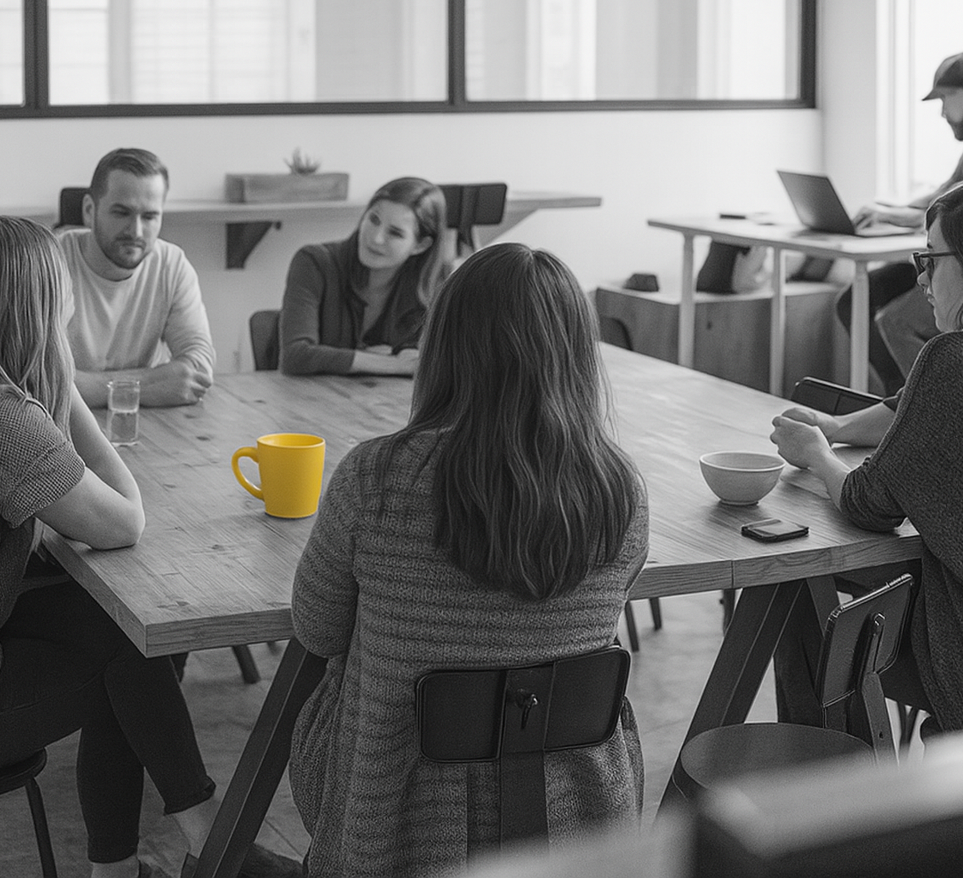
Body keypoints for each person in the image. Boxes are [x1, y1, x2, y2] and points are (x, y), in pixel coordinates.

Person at [289, 243, 649, 878]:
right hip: (572, 814)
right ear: (574, 355)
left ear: (444, 344)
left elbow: (316, 632)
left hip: (394, 824)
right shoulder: (620, 488)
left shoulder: (374, 477)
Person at [0, 218, 298, 878]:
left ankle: (170, 850)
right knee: (129, 646)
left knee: (123, 632)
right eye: (63, 292)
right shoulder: (8, 422)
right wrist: (62, 383)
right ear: (39, 305)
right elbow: (125, 520)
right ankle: (214, 844)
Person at [770, 177, 963, 734]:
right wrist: (839, 426)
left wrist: (818, 453)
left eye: (930, 259)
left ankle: (836, 790)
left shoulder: (955, 356)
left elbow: (870, 504)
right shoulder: (960, 361)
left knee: (799, 596)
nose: (921, 277)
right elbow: (909, 406)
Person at [836, 51, 963, 395]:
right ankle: (901, 394)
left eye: (947, 97)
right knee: (855, 299)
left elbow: (960, 216)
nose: (943, 112)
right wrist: (891, 209)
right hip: (941, 257)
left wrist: (896, 215)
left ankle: (936, 402)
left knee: (896, 320)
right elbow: (945, 195)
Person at [59, 148, 215, 408]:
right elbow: (34, 384)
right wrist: (148, 387)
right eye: (121, 213)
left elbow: (197, 370)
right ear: (89, 210)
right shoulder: (48, 263)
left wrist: (84, 386)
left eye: (150, 216)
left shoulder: (172, 264)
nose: (136, 231)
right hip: (59, 429)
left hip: (144, 426)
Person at [279, 176, 452, 376]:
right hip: (307, 401)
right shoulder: (314, 262)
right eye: (373, 219)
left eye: (395, 233)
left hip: (382, 402)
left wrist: (401, 355)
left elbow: (435, 360)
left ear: (420, 245)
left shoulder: (433, 283)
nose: (376, 238)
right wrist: (395, 364)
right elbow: (295, 357)